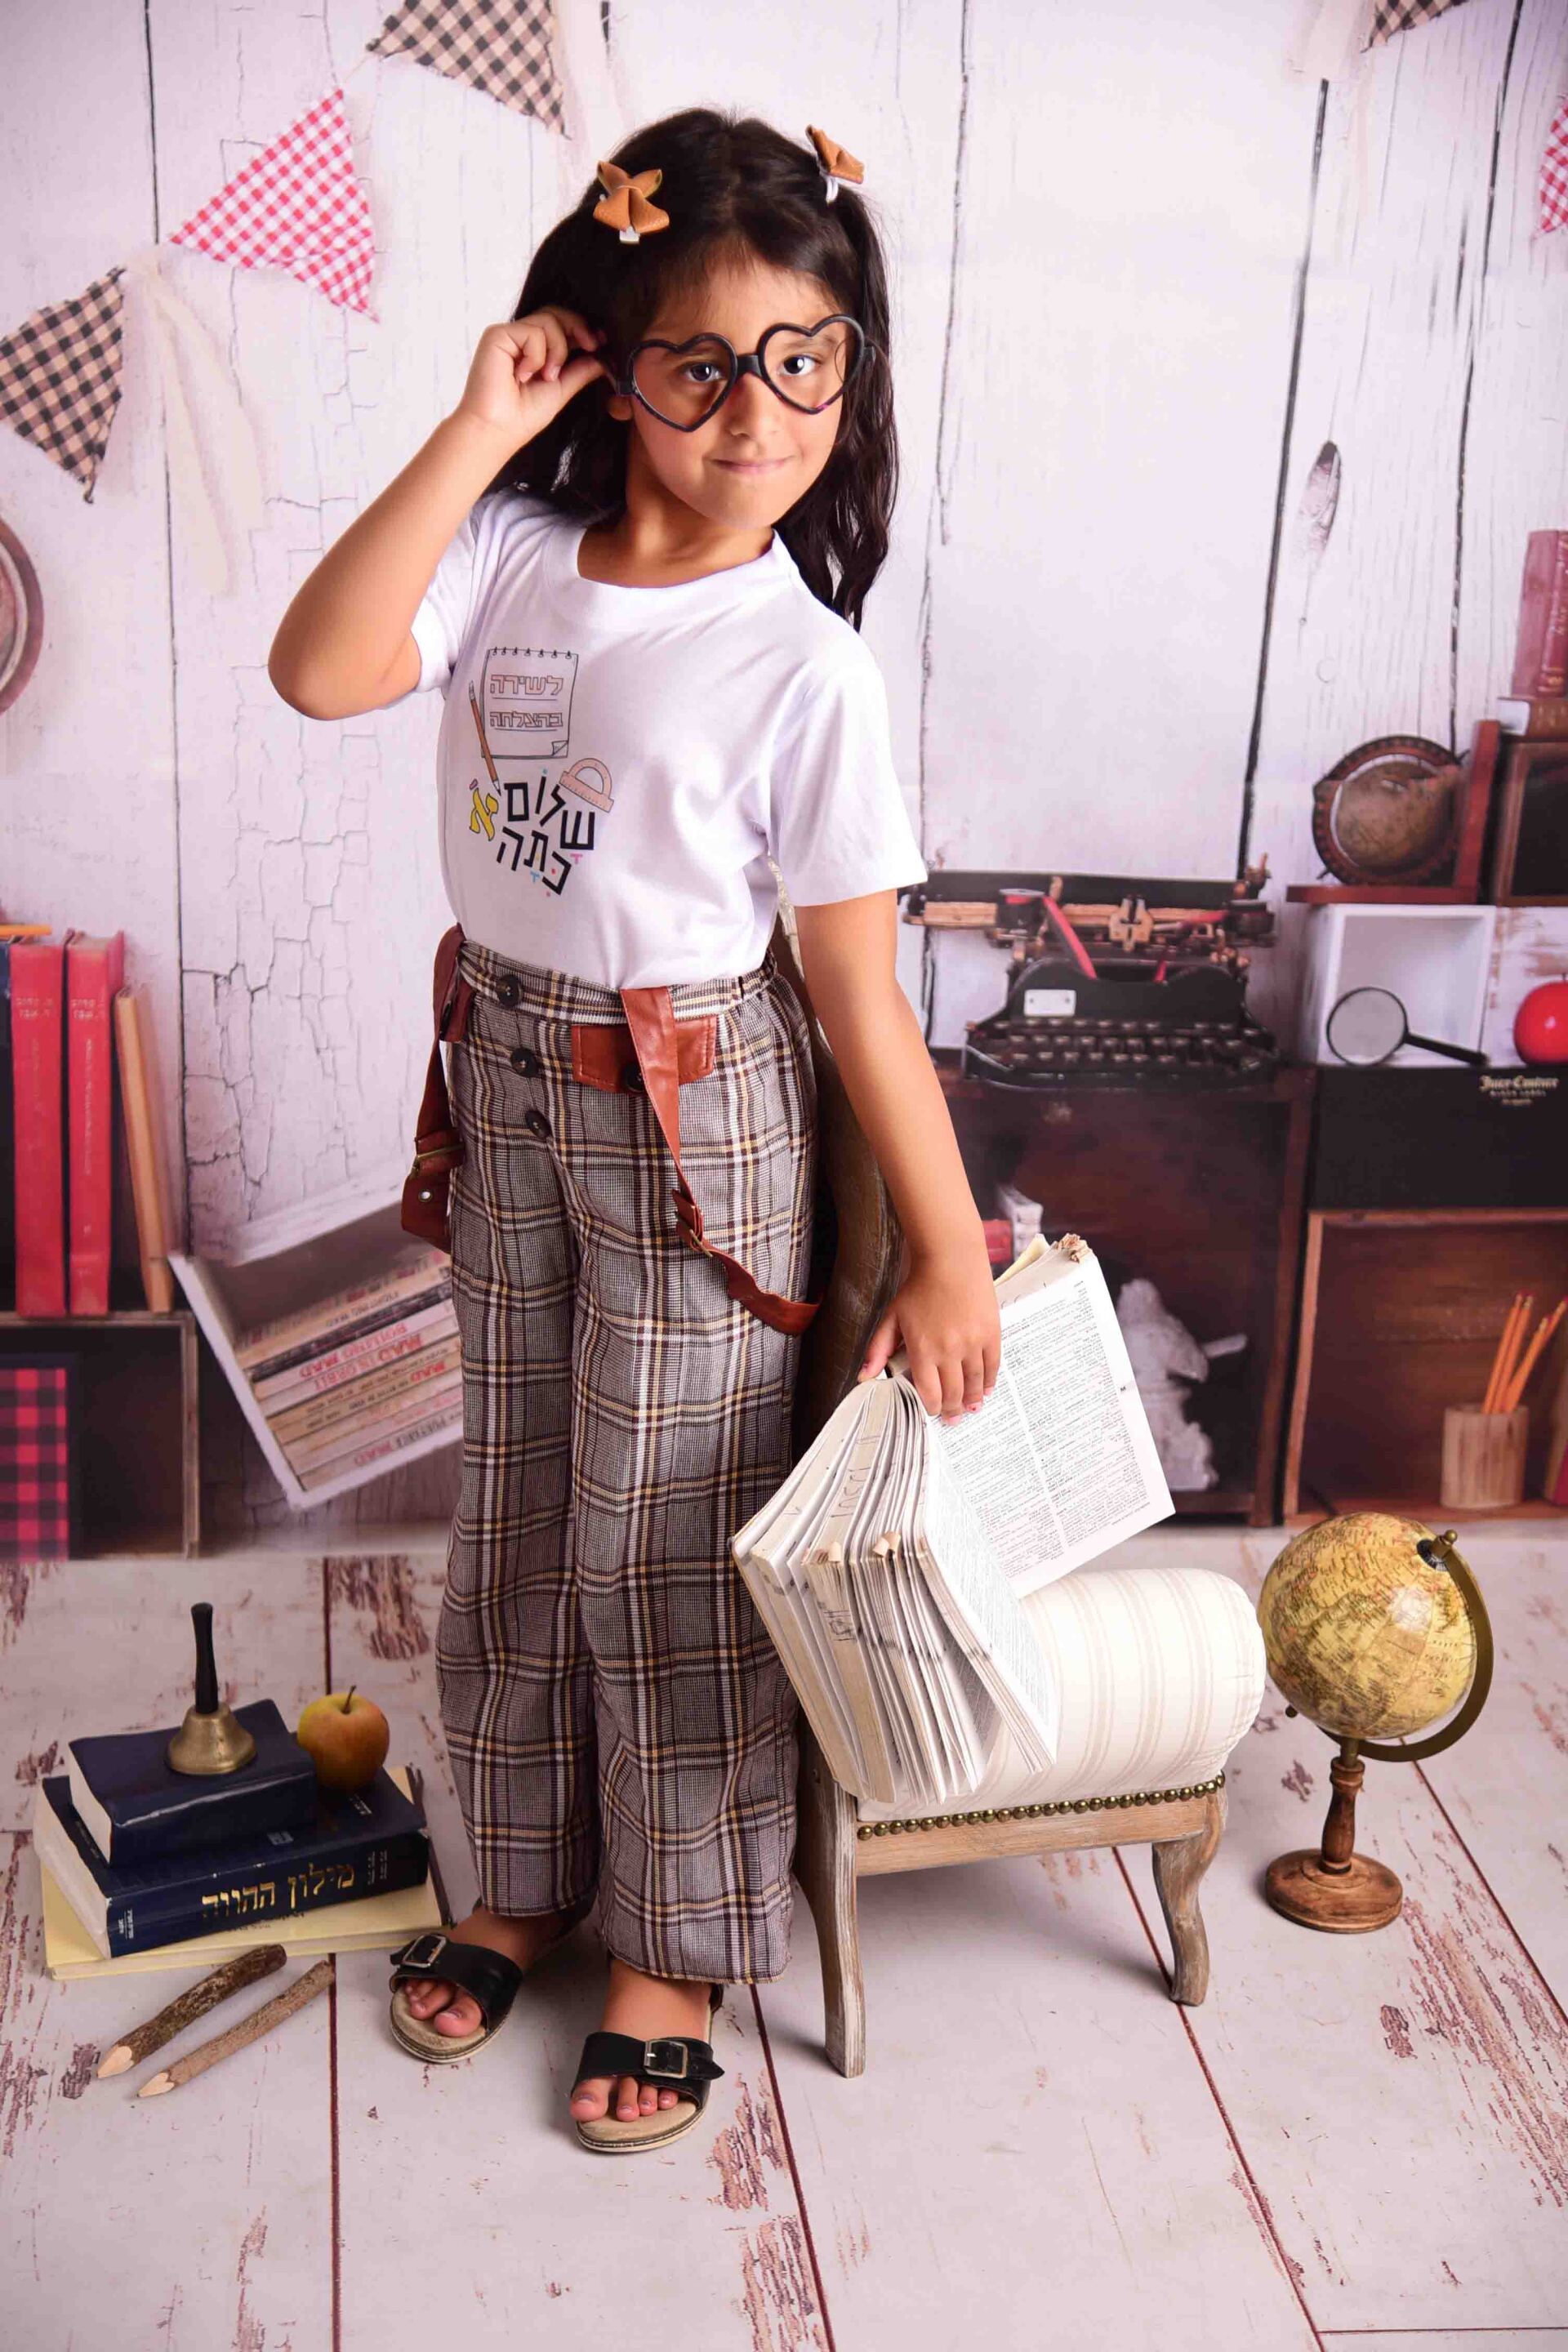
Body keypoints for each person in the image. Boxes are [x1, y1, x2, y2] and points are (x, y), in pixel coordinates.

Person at [268, 105, 1001, 2154]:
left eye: (805, 359)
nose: (758, 411)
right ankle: (516, 1876)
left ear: (850, 372)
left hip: (698, 1125)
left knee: (663, 1532)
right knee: (516, 1504)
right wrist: (475, 430)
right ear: (607, 360)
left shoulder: (802, 669)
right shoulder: (509, 552)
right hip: (506, 1088)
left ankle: (670, 1939)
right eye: (700, 364)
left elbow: (856, 996)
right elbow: (318, 668)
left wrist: (950, 1251)